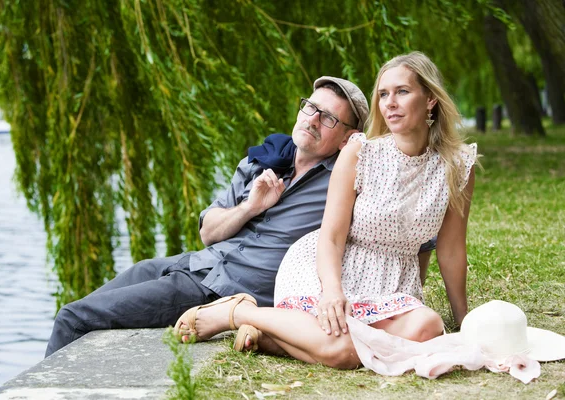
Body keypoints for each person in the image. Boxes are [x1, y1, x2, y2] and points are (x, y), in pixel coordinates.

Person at [174, 51, 477, 370]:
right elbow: (331, 237)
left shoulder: (457, 166)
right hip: (332, 268)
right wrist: (332, 291)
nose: (390, 102)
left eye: (402, 91)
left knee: (427, 326)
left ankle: (271, 338)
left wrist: (464, 321)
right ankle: (238, 312)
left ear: (430, 99)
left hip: (394, 281)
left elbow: (452, 248)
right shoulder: (361, 152)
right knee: (342, 353)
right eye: (383, 94)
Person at [44, 75, 371, 357]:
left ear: (347, 137)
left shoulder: (343, 181)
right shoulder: (260, 163)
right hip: (195, 263)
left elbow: (396, 193)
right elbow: (209, 233)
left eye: (328, 118)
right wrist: (251, 207)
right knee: (88, 306)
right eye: (310, 107)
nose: (312, 119)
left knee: (74, 317)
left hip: (222, 291)